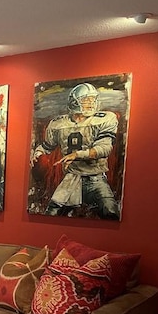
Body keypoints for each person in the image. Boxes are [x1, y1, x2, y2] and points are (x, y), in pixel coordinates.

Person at [29, 82, 120, 219]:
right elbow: (47, 146)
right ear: (74, 101)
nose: (91, 102)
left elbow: (104, 148)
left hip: (96, 178)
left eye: (92, 99)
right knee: (51, 214)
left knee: (111, 213)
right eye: (86, 99)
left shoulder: (104, 119)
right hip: (71, 178)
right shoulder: (58, 124)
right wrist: (37, 153)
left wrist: (77, 154)